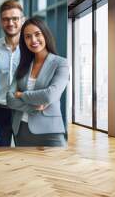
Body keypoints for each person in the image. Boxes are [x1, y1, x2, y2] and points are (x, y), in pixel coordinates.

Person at [6, 17, 69, 147]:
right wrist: (33, 107)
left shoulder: (61, 63)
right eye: (28, 37)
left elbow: (49, 95)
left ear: (45, 34)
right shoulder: (23, 66)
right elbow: (9, 99)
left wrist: (21, 95)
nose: (33, 40)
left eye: (37, 34)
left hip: (50, 132)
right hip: (21, 130)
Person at [0, 0, 24, 146]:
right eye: (6, 19)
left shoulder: (31, 47)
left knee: (26, 154)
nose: (10, 23)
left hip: (24, 110)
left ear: (22, 20)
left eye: (15, 18)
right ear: (1, 22)